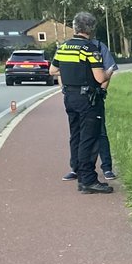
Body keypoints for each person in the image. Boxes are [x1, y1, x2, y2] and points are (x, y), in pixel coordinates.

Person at [50, 12, 114, 194]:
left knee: (76, 135)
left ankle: (77, 170)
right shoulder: (89, 49)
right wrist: (108, 73)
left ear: (75, 27)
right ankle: (88, 180)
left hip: (69, 97)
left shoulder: (63, 47)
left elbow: (52, 70)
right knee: (90, 138)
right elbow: (100, 77)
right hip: (88, 99)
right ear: (90, 29)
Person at [62, 34, 118, 181]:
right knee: (78, 134)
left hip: (93, 96)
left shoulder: (98, 47)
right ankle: (76, 168)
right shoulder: (69, 46)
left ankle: (106, 167)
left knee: (99, 132)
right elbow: (58, 69)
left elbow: (109, 68)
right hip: (78, 96)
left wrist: (102, 91)